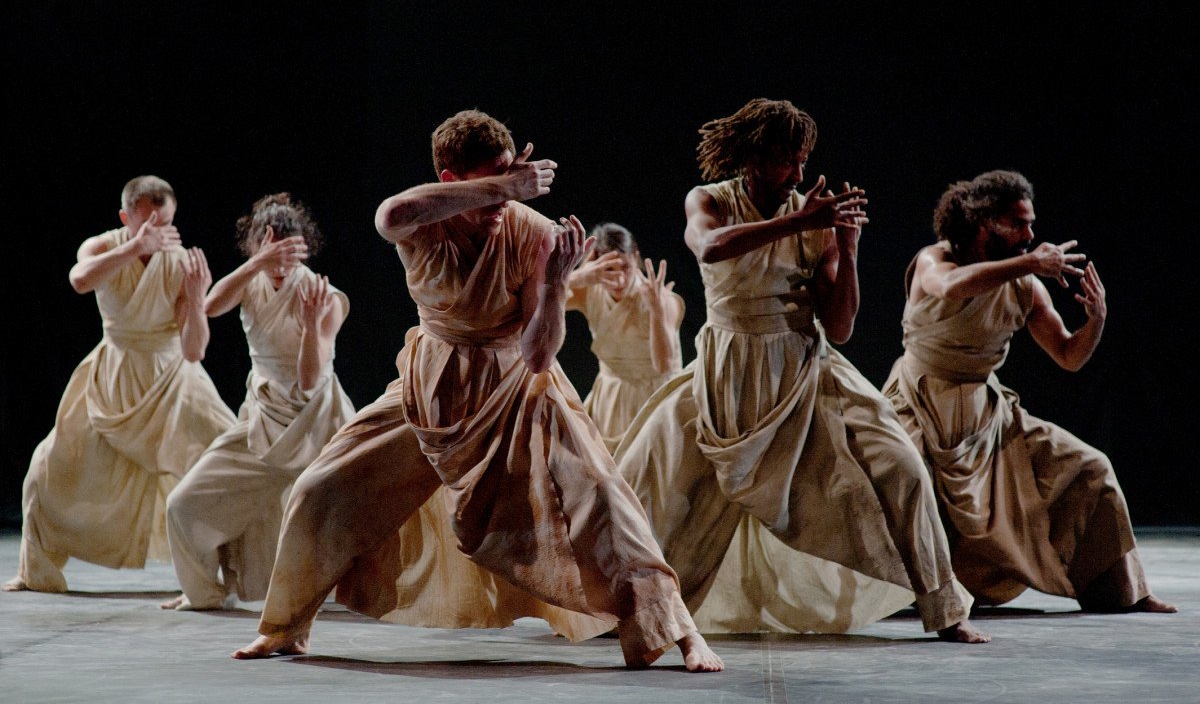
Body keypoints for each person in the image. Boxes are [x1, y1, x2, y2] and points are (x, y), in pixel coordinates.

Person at [232, 110, 723, 672]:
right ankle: (285, 628)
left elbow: (540, 355)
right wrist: (504, 184)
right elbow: (391, 212)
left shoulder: (532, 232)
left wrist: (559, 282)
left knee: (605, 498)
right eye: (490, 184)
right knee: (321, 489)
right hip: (432, 387)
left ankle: (681, 634)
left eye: (510, 182)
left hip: (518, 386)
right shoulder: (421, 223)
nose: (504, 200)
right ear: (449, 181)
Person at [613, 98, 988, 642]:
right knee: (648, 480)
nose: (800, 172)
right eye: (788, 159)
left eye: (803, 159)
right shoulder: (711, 200)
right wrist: (801, 220)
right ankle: (623, 608)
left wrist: (848, 249)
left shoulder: (817, 220)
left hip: (804, 368)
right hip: (728, 371)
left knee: (901, 464)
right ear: (753, 159)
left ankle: (946, 610)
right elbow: (711, 249)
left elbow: (839, 328)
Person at [881, 170, 1176, 614]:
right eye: (1018, 224)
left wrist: (1095, 322)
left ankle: (1123, 590)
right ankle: (923, 596)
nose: (1030, 234)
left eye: (1030, 223)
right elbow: (952, 288)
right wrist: (1030, 262)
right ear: (986, 224)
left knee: (1091, 468)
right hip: (920, 401)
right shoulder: (935, 259)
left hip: (987, 415)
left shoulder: (1026, 287)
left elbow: (1067, 355)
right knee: (899, 480)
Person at [4, 176, 235, 593]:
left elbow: (195, 350)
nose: (157, 234)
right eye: (147, 224)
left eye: (165, 225)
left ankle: (241, 571)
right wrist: (134, 248)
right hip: (113, 370)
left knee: (230, 454)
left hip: (171, 376)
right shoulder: (103, 245)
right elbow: (80, 279)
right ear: (126, 217)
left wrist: (197, 300)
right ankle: (36, 571)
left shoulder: (182, 262)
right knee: (45, 469)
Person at [160, 193, 355, 611]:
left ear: (302, 246)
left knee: (357, 515)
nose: (282, 262)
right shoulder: (251, 281)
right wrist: (256, 264)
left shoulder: (327, 297)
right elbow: (210, 306)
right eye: (272, 247)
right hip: (261, 421)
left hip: (316, 423)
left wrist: (309, 327)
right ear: (260, 243)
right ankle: (203, 593)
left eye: (288, 249)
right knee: (182, 505)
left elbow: (307, 381)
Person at [566, 224, 685, 452]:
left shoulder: (661, 298)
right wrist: (577, 277)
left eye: (625, 268)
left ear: (636, 258)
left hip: (655, 399)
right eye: (609, 269)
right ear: (595, 264)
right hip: (610, 399)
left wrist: (657, 312)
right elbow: (536, 304)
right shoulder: (590, 291)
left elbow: (665, 365)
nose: (619, 280)